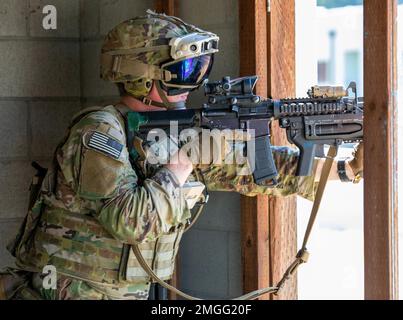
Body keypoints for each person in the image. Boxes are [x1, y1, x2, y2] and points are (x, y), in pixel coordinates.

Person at [0, 10, 363, 300]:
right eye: (184, 72)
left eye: (200, 70)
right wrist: (184, 163)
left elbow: (257, 169)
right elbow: (128, 220)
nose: (193, 84)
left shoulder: (178, 130)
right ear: (143, 77)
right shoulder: (98, 131)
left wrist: (346, 169)